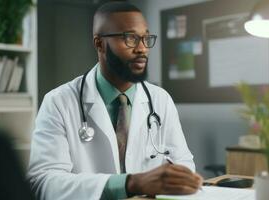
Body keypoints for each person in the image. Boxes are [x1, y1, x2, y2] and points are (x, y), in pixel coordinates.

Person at [28, 2, 203, 199]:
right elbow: (43, 183)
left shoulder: (160, 99)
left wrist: (178, 179)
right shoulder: (59, 102)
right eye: (130, 38)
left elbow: (183, 164)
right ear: (99, 43)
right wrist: (131, 183)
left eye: (145, 38)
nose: (142, 49)